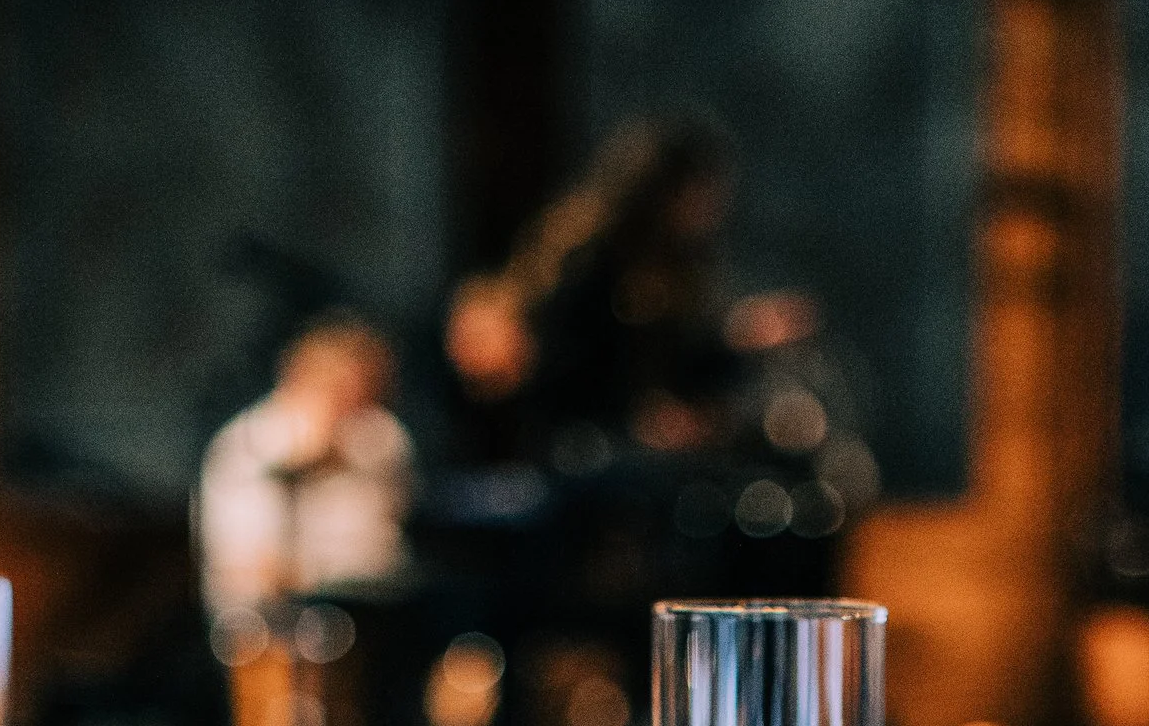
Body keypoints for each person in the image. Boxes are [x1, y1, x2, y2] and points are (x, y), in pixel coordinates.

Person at [443, 116, 816, 462]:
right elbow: (569, 370)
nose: (712, 211)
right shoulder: (586, 255)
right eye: (701, 194)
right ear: (664, 190)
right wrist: (639, 419)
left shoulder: (675, 265)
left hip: (625, 445)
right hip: (576, 451)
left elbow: (676, 361)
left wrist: (736, 338)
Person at [196, 314, 416, 617]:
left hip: (373, 614)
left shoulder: (382, 439)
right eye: (336, 390)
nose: (353, 409)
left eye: (365, 395)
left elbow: (385, 546)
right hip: (269, 624)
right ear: (296, 379)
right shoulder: (247, 444)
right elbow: (243, 568)